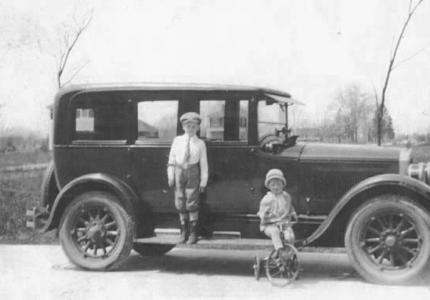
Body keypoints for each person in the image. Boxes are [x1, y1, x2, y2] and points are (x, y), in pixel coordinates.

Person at [167, 112, 208, 244]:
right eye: (188, 126)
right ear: (183, 127)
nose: (191, 129)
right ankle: (183, 231)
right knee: (180, 199)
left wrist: (203, 181)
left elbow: (203, 163)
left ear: (197, 128)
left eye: (194, 126)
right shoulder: (177, 140)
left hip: (193, 171)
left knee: (192, 199)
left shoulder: (200, 143)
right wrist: (171, 175)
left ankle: (192, 232)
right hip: (179, 171)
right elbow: (171, 160)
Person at [257, 169, 297, 255]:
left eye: (278, 184)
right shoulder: (267, 199)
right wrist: (265, 215)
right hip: (270, 225)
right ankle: (279, 250)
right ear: (269, 186)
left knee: (290, 236)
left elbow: (290, 207)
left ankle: (289, 254)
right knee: (275, 232)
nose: (276, 187)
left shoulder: (286, 196)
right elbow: (262, 212)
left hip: (284, 224)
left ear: (283, 185)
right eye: (273, 185)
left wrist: (293, 214)